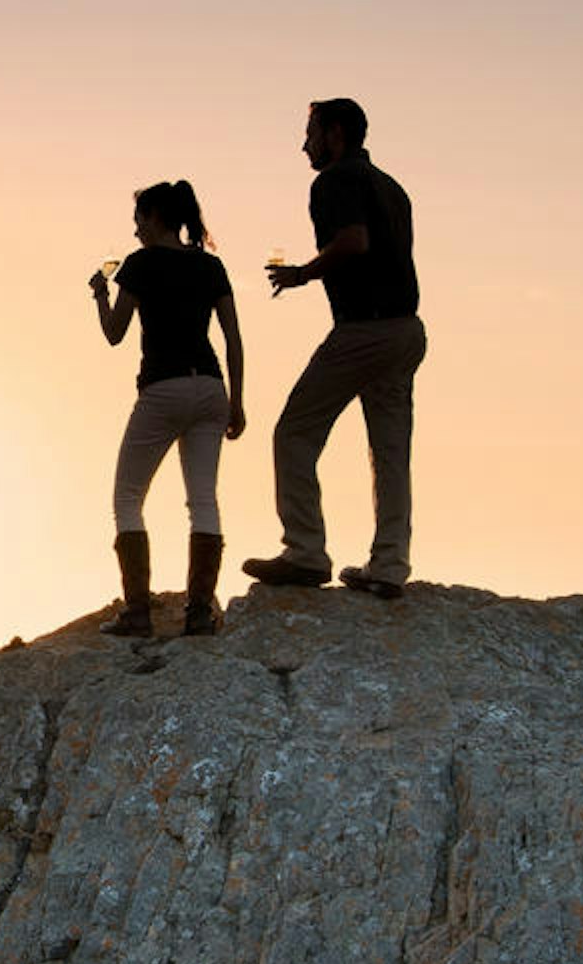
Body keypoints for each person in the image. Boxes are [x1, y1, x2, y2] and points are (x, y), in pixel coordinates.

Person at [247, 97, 428, 597]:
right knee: (390, 451)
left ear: (336, 133)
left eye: (311, 131)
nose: (303, 143)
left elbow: (354, 242)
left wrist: (302, 274)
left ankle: (305, 551)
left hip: (363, 330)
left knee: (295, 432)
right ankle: (389, 565)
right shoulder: (392, 187)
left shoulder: (334, 181)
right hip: (406, 330)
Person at [86, 179, 245, 637]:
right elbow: (232, 336)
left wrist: (101, 294)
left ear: (154, 218)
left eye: (138, 219)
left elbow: (115, 333)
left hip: (163, 386)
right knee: (203, 499)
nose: (135, 229)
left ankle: (137, 613)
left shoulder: (141, 264)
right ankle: (198, 612)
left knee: (128, 497)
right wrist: (238, 399)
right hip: (211, 386)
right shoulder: (210, 266)